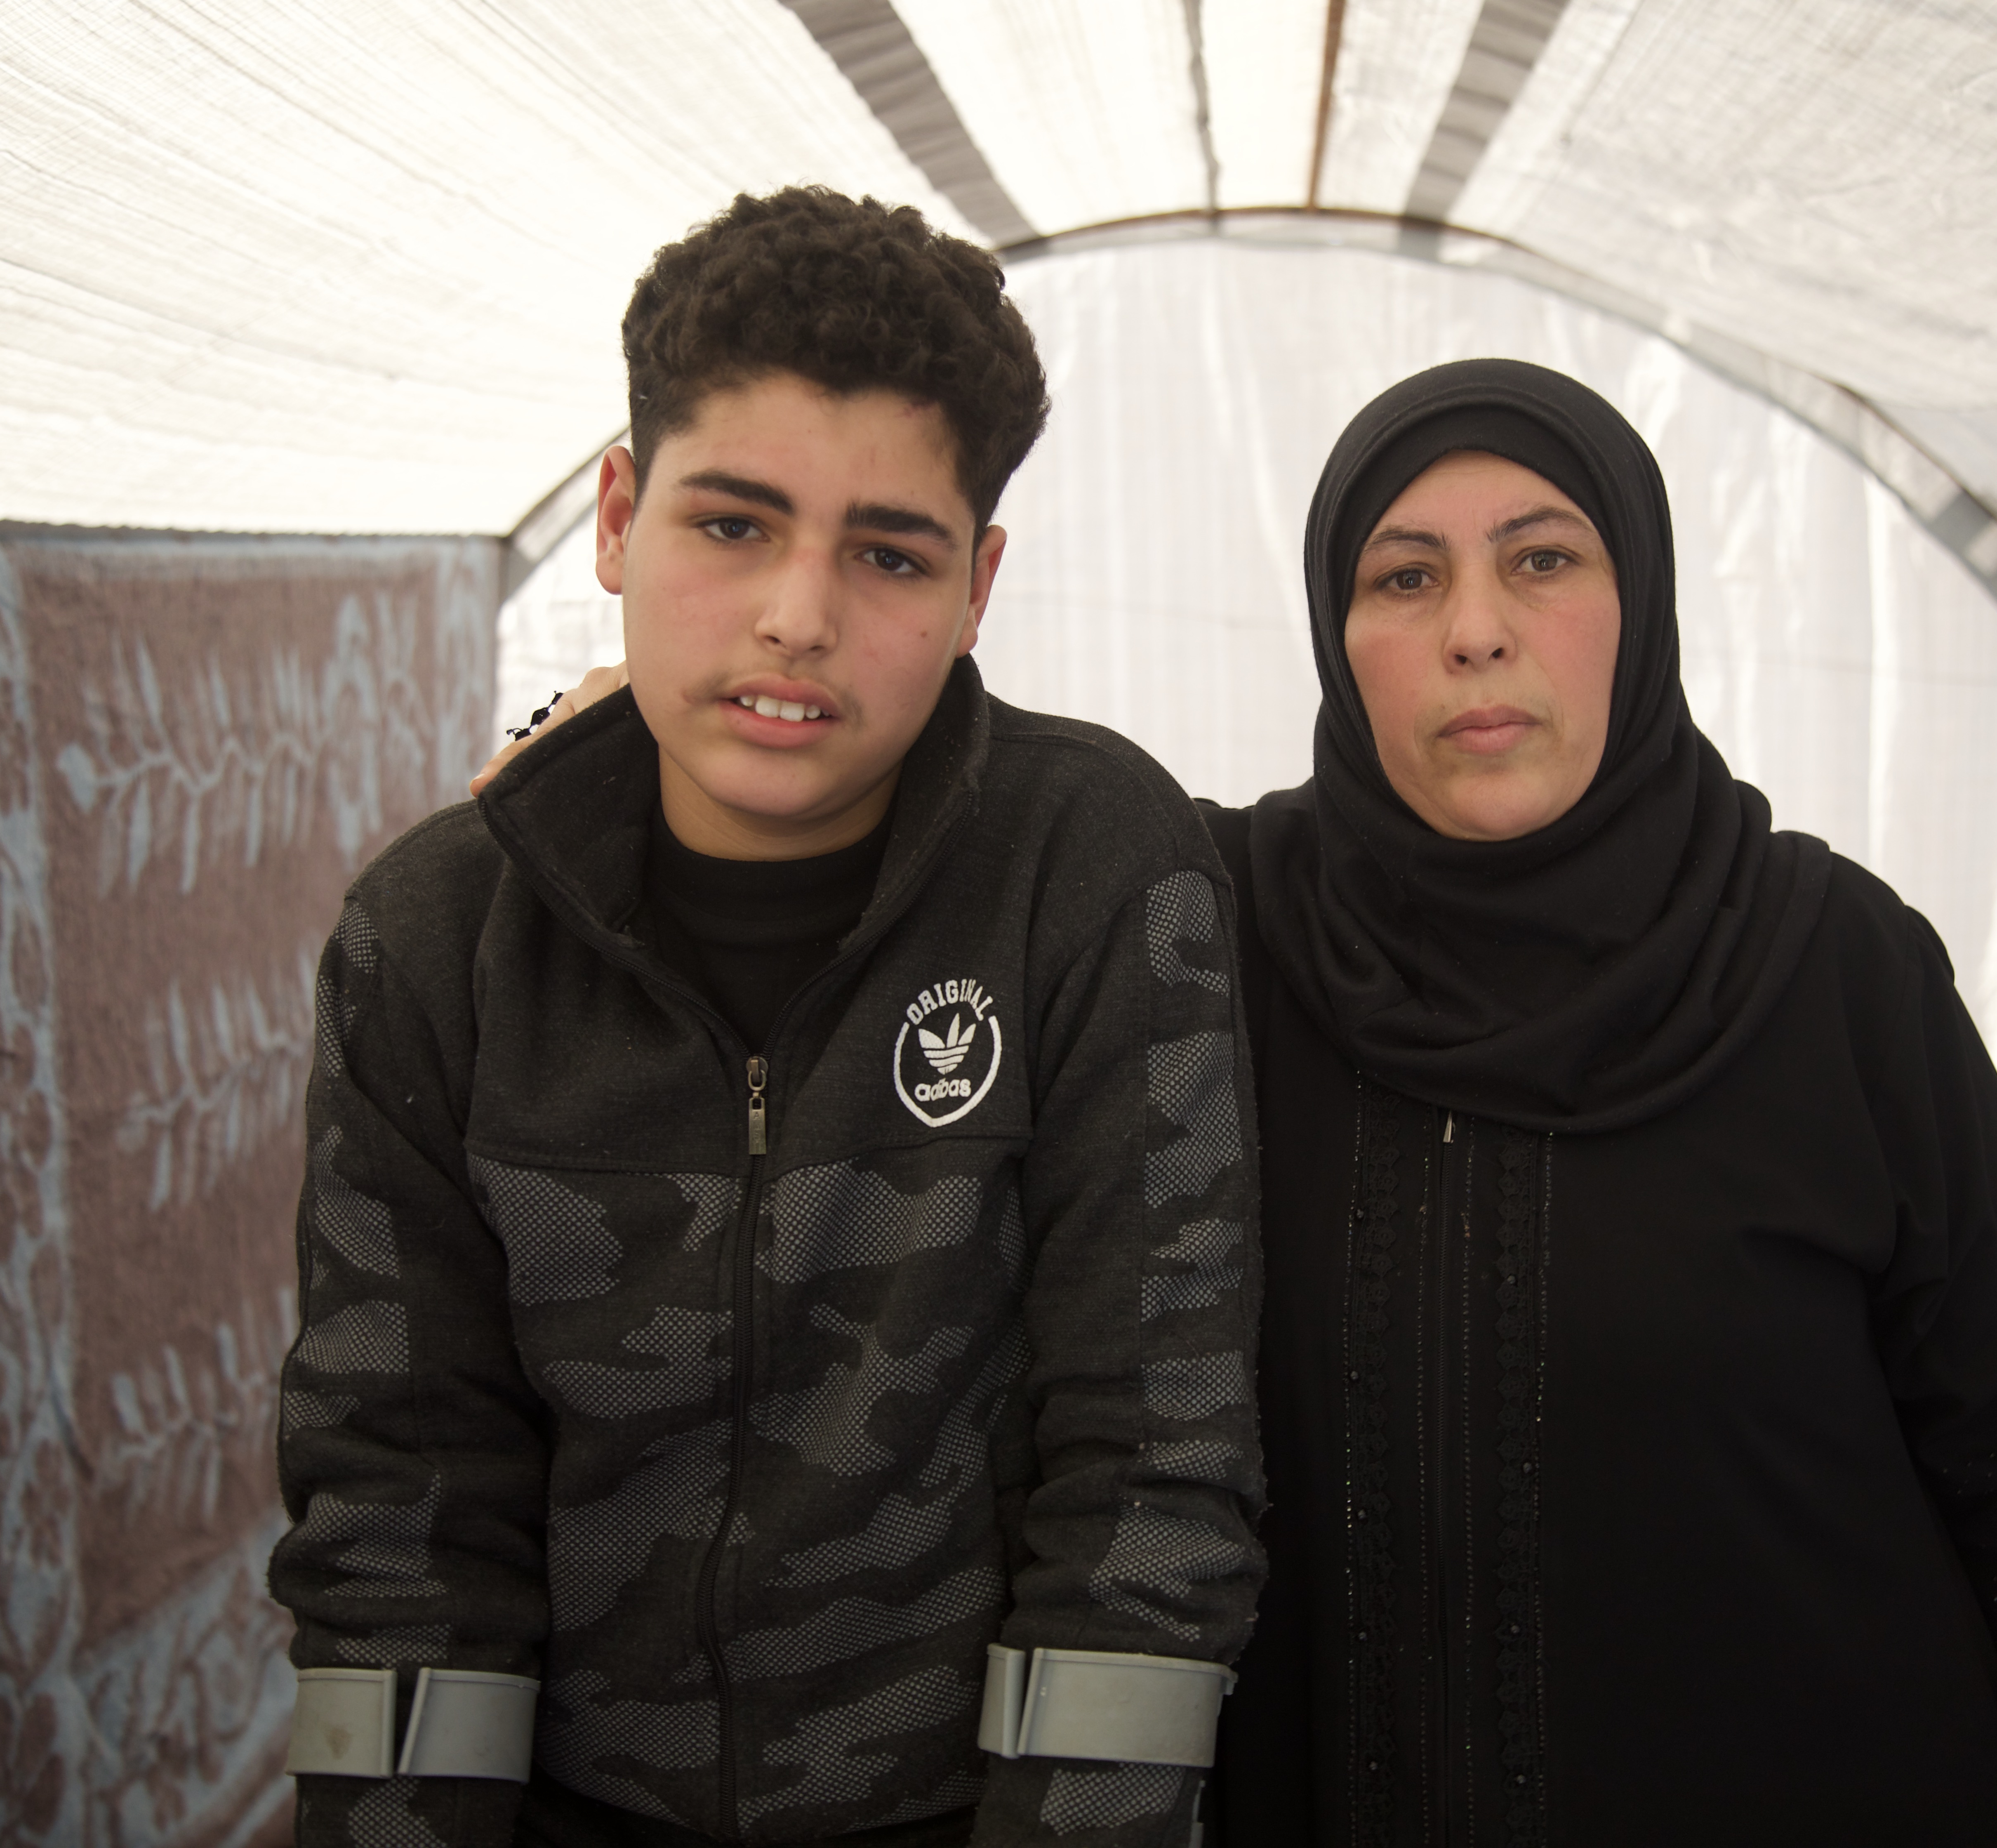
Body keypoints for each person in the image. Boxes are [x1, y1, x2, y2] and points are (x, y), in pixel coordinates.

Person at [491, 358, 1997, 1846]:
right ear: (1335, 629)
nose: (1477, 628)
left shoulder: (1834, 969)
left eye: (1544, 558)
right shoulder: (1203, 929)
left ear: (1643, 601)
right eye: (1404, 575)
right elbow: (909, 852)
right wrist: (644, 762)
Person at [276, 187, 1263, 1848]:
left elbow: (1152, 1472)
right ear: (614, 514)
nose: (800, 614)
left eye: (888, 552)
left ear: (978, 583)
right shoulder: (434, 935)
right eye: (733, 525)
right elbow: (400, 1519)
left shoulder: (1090, 867)